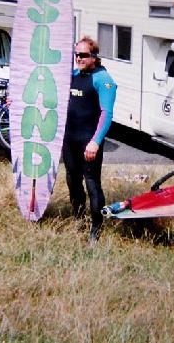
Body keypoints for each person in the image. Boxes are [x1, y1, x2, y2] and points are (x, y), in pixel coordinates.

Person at [63, 36, 117, 242]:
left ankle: (96, 228)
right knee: (72, 181)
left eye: (83, 55)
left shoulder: (103, 79)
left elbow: (106, 114)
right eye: (76, 54)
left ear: (94, 57)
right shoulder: (74, 75)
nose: (78, 58)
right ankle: (78, 220)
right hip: (69, 140)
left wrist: (95, 141)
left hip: (89, 141)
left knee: (92, 183)